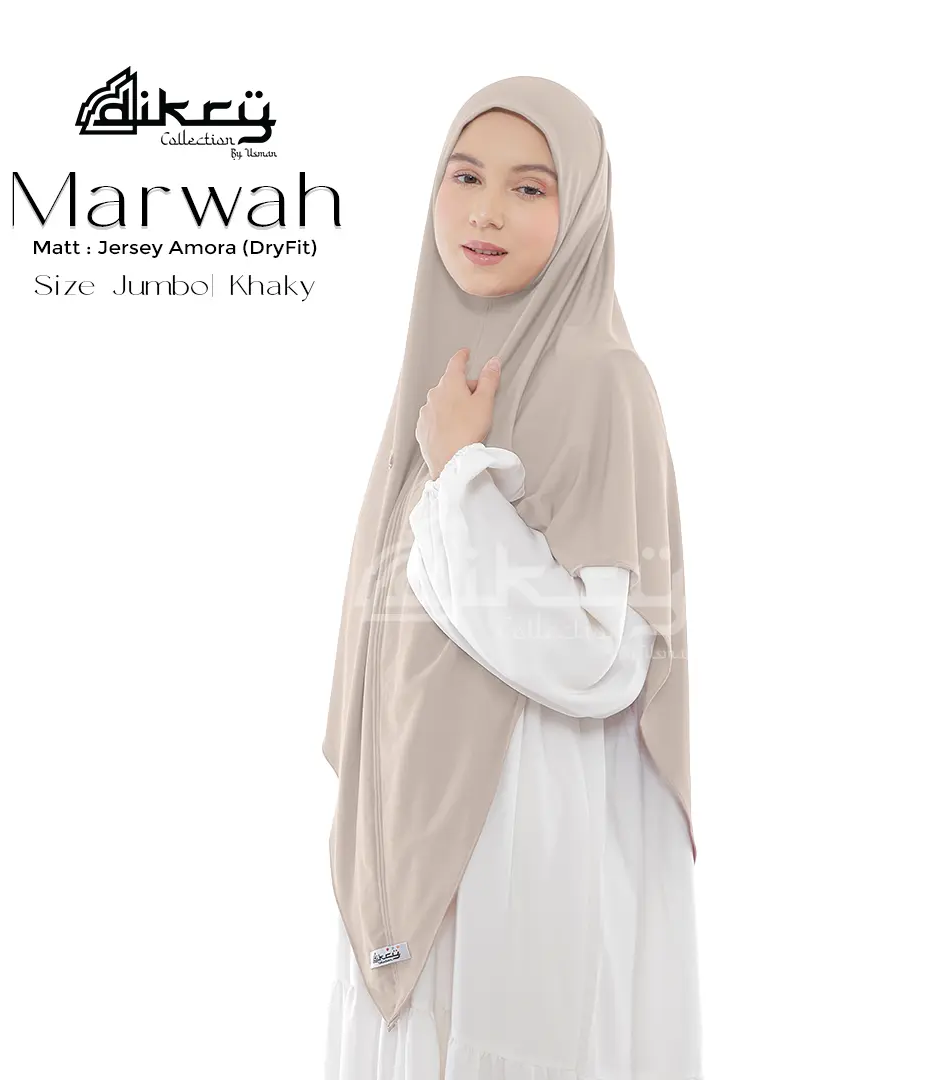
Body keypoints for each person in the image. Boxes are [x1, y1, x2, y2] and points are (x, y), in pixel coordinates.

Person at [323, 77, 702, 1079]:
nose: (485, 211)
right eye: (465, 177)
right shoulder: (443, 373)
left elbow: (602, 657)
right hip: (417, 814)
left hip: (526, 828)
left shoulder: (602, 380)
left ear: (581, 210)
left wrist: (460, 474)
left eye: (530, 188)